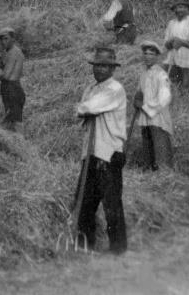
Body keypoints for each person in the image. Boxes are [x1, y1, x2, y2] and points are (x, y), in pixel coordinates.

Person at [74, 46, 127, 254]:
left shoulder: (115, 89)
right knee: (85, 203)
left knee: (112, 205)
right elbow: (82, 110)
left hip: (109, 153)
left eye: (105, 66)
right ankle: (85, 246)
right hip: (90, 151)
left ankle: (118, 249)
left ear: (112, 68)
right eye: (97, 66)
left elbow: (87, 108)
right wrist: (84, 109)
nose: (100, 70)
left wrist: (84, 108)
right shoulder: (91, 89)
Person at [134, 40, 174, 171]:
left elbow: (165, 98)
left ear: (157, 56)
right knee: (147, 141)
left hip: (157, 117)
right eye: (145, 53)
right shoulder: (143, 74)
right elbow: (140, 92)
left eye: (151, 54)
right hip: (146, 117)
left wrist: (145, 106)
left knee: (159, 142)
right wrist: (137, 98)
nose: (147, 56)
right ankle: (148, 167)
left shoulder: (161, 75)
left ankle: (163, 170)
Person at [0, 27, 26, 133]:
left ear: (13, 39)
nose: (3, 42)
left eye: (6, 39)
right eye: (1, 39)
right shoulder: (8, 52)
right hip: (8, 88)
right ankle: (15, 140)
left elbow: (6, 75)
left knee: (16, 119)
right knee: (10, 117)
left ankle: (21, 143)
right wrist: (0, 63)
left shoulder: (14, 53)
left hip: (13, 88)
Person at [164, 0, 189, 91]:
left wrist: (180, 41)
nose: (180, 10)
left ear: (187, 9)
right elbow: (166, 44)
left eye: (182, 7)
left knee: (186, 90)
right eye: (177, 7)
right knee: (170, 87)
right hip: (173, 61)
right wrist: (171, 41)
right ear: (174, 10)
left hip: (188, 62)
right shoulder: (171, 23)